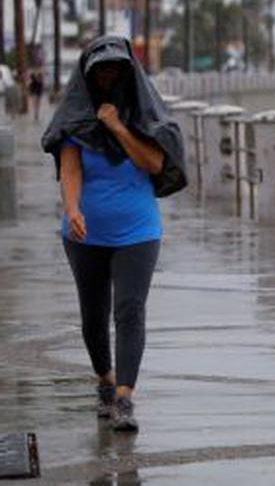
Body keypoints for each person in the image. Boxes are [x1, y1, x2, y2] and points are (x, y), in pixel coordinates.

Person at [40, 36, 188, 432]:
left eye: (115, 70)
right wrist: (72, 210)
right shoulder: (75, 117)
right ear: (87, 76)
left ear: (128, 74)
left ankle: (124, 398)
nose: (108, 76)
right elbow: (70, 170)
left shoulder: (143, 116)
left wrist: (118, 127)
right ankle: (105, 381)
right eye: (100, 71)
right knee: (93, 315)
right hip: (84, 233)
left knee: (129, 309)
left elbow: (155, 162)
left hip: (138, 231)